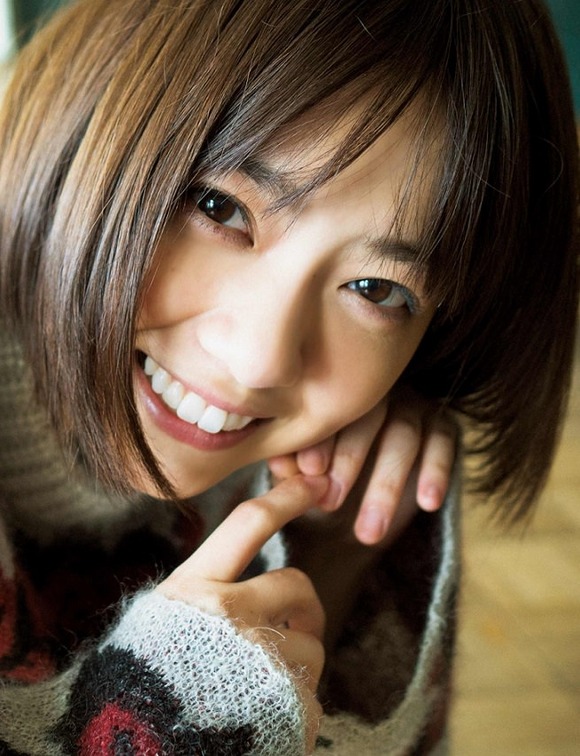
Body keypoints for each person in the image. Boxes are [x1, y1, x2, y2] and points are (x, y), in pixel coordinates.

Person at [0, 0, 577, 753]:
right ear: (92, 113)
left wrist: (333, 562)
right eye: (219, 207)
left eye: (376, 290)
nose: (259, 361)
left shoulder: (351, 455)